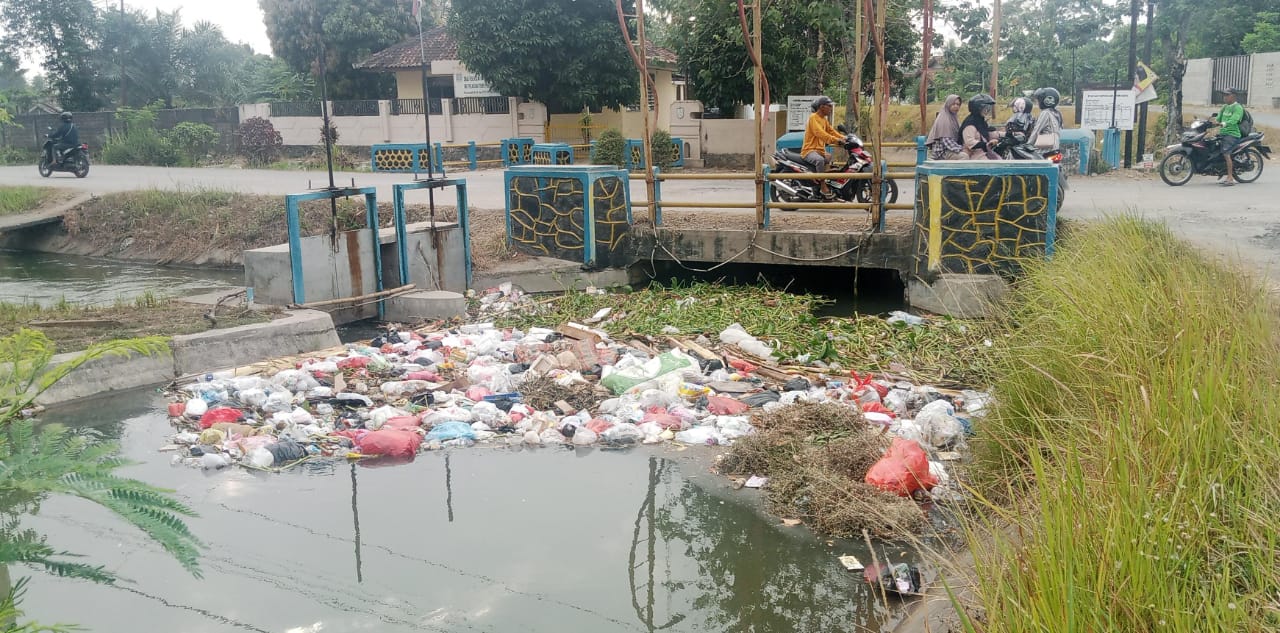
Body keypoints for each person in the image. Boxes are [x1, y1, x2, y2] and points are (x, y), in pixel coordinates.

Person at [801, 95, 846, 199]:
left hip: (819, 150)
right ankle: (822, 185)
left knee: (829, 157)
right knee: (820, 161)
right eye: (829, 106)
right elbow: (820, 133)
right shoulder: (813, 118)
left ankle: (825, 180)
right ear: (822, 107)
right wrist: (836, 140)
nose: (831, 108)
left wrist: (844, 138)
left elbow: (831, 131)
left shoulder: (824, 119)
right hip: (809, 150)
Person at [1214, 87, 1244, 186]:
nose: (1225, 97)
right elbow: (1218, 118)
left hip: (1232, 134)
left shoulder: (1238, 107)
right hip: (1223, 133)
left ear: (1233, 96)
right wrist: (1210, 122)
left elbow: (1235, 119)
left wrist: (1225, 124)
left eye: (1227, 95)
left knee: (1226, 153)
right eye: (1224, 95)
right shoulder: (1224, 107)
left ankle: (1230, 178)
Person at [959, 93, 1000, 159]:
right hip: (973, 154)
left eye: (988, 108)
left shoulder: (980, 121)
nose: (987, 111)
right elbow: (969, 142)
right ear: (977, 108)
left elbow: (988, 133)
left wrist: (1006, 134)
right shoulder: (970, 124)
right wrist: (986, 144)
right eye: (985, 108)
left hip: (982, 151)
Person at [924, 94, 966, 160]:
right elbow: (947, 142)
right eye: (953, 104)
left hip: (949, 150)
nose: (956, 106)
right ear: (948, 104)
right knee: (964, 156)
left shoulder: (953, 118)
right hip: (942, 152)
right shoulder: (944, 119)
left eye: (958, 104)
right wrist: (962, 148)